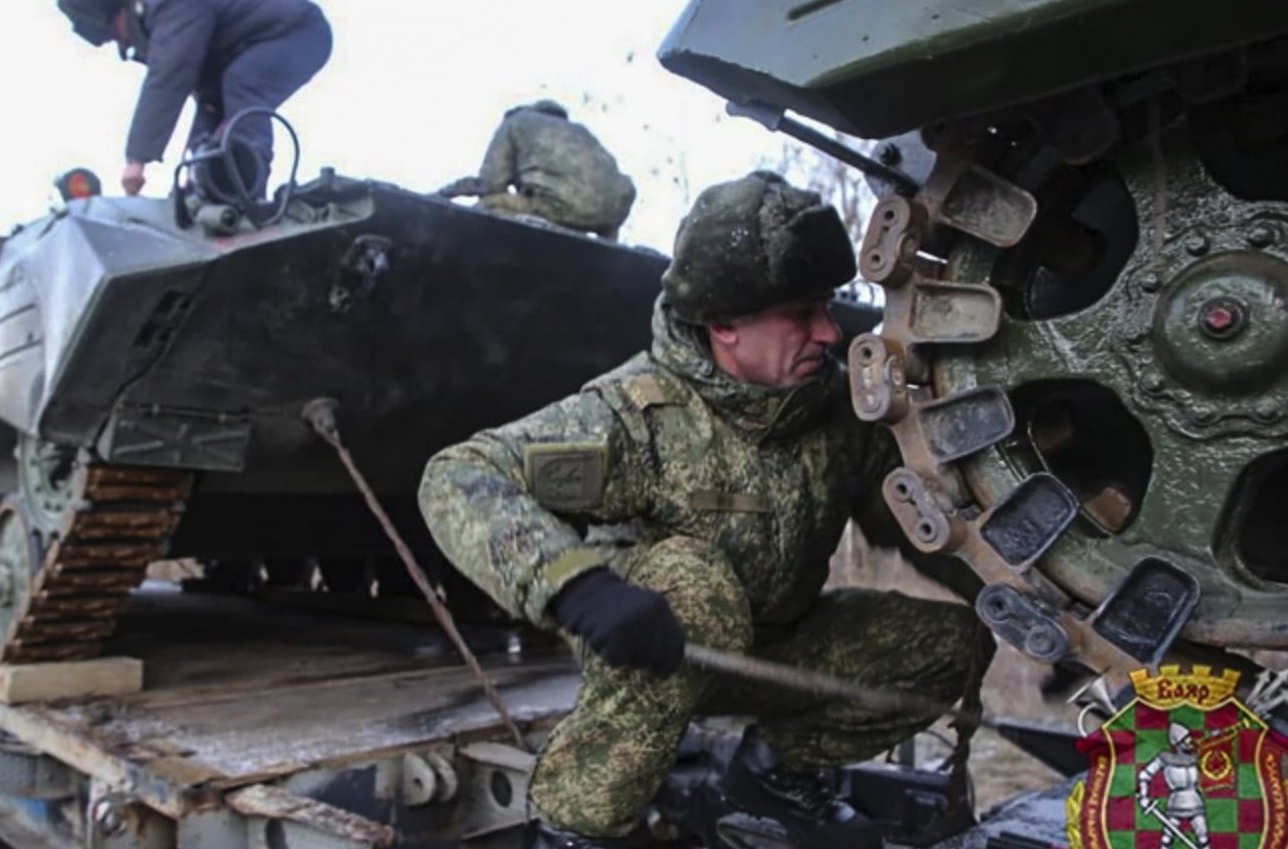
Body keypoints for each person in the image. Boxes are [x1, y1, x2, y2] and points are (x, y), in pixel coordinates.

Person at [418, 172, 991, 848]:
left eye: (828, 306)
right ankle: (577, 830)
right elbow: (458, 475)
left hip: (773, 652)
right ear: (725, 324)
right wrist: (576, 587)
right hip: (661, 650)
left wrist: (1028, 610)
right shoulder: (637, 416)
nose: (830, 331)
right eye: (802, 313)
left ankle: (775, 772)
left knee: (954, 640)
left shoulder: (837, 413)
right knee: (696, 586)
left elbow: (915, 522)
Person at [57, 0, 332, 198]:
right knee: (205, 140)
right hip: (241, 55)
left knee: (245, 83)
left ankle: (246, 190)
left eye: (114, 35)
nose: (123, 44)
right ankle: (207, 191)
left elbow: (170, 75)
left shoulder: (169, 7)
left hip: (295, 31)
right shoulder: (161, 20)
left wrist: (136, 159)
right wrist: (193, 174)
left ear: (119, 12)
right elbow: (206, 97)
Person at [438, 100, 637, 240]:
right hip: (611, 215)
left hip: (557, 204)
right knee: (587, 204)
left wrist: (446, 193)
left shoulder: (516, 122)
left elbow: (490, 184)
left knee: (487, 208)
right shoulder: (579, 131)